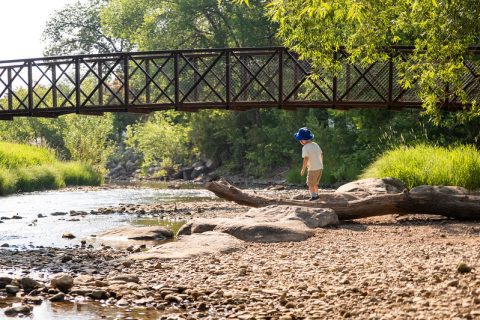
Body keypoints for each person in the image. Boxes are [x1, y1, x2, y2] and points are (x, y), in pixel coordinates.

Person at [294, 127, 323, 201]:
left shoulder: (305, 147)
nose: (300, 141)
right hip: (320, 167)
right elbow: (321, 154)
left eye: (300, 140)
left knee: (310, 184)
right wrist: (321, 163)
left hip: (312, 169)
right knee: (315, 183)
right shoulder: (315, 144)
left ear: (303, 140)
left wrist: (303, 169)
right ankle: (316, 194)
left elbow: (306, 159)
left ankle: (314, 197)